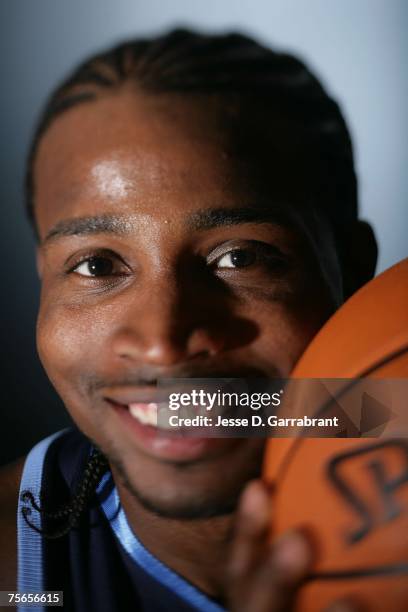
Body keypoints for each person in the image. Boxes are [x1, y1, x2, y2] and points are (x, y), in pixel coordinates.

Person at [0, 28, 377, 611]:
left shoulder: (385, 418)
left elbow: (377, 411)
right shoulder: (14, 563)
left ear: (353, 272)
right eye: (97, 264)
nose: (162, 341)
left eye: (240, 258)